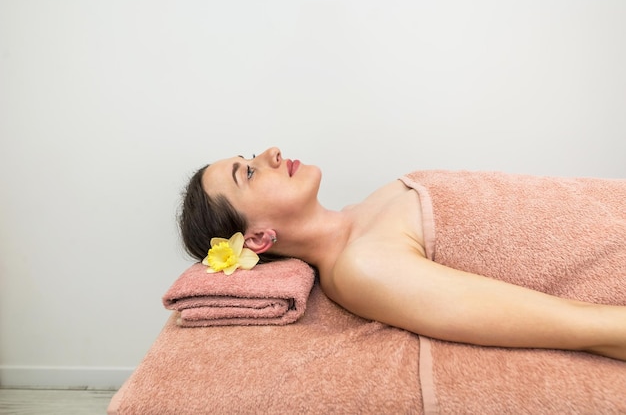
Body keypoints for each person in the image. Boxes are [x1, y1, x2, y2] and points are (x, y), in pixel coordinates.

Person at [178, 147, 626, 361]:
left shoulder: (365, 210)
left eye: (252, 156)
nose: (272, 151)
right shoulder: (361, 267)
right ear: (257, 240)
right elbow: (576, 324)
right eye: (250, 172)